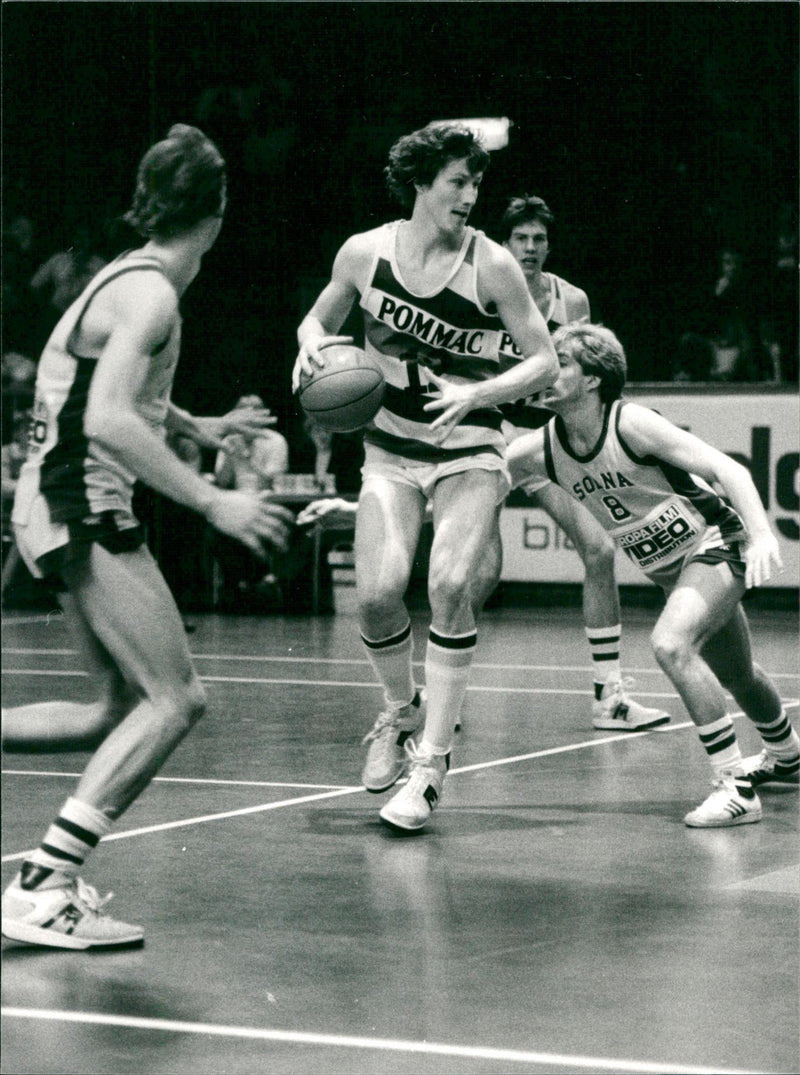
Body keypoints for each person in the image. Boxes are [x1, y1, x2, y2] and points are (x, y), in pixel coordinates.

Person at [1, 124, 293, 949]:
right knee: (177, 699)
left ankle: (46, 879)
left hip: (50, 503)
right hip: (79, 503)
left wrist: (199, 425)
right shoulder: (153, 292)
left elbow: (107, 389)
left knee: (114, 709)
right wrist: (213, 502)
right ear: (220, 209)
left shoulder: (132, 280)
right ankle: (42, 883)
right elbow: (107, 417)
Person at [293, 121, 559, 832]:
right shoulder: (364, 253)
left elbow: (545, 361)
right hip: (387, 449)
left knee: (447, 586)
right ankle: (398, 711)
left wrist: (480, 393)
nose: (470, 195)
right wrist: (312, 346)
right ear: (421, 184)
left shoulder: (492, 265)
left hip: (470, 445)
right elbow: (316, 322)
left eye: (476, 183)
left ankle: (432, 763)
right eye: (458, 182)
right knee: (378, 595)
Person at [507, 322, 799, 827]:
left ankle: (734, 786)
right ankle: (789, 755)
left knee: (670, 644)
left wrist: (762, 533)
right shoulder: (538, 450)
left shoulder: (631, 424)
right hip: (671, 570)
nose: (548, 370)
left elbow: (729, 471)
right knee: (739, 676)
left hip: (715, 544)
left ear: (593, 379)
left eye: (563, 362)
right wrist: (357, 510)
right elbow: (459, 491)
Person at [487, 195, 670, 731]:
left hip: (547, 437)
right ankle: (435, 690)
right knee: (480, 569)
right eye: (520, 238)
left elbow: (583, 376)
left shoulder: (573, 300)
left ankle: (608, 698)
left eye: (538, 239)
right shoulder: (485, 291)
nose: (530, 248)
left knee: (597, 548)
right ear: (505, 242)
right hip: (492, 433)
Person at [210, 393, 290, 610]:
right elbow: (222, 481)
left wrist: (245, 457)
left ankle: (261, 583)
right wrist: (229, 454)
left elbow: (273, 482)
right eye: (244, 409)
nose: (251, 414)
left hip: (267, 498)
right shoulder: (228, 440)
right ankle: (238, 584)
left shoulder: (275, 441)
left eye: (256, 409)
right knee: (217, 526)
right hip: (236, 498)